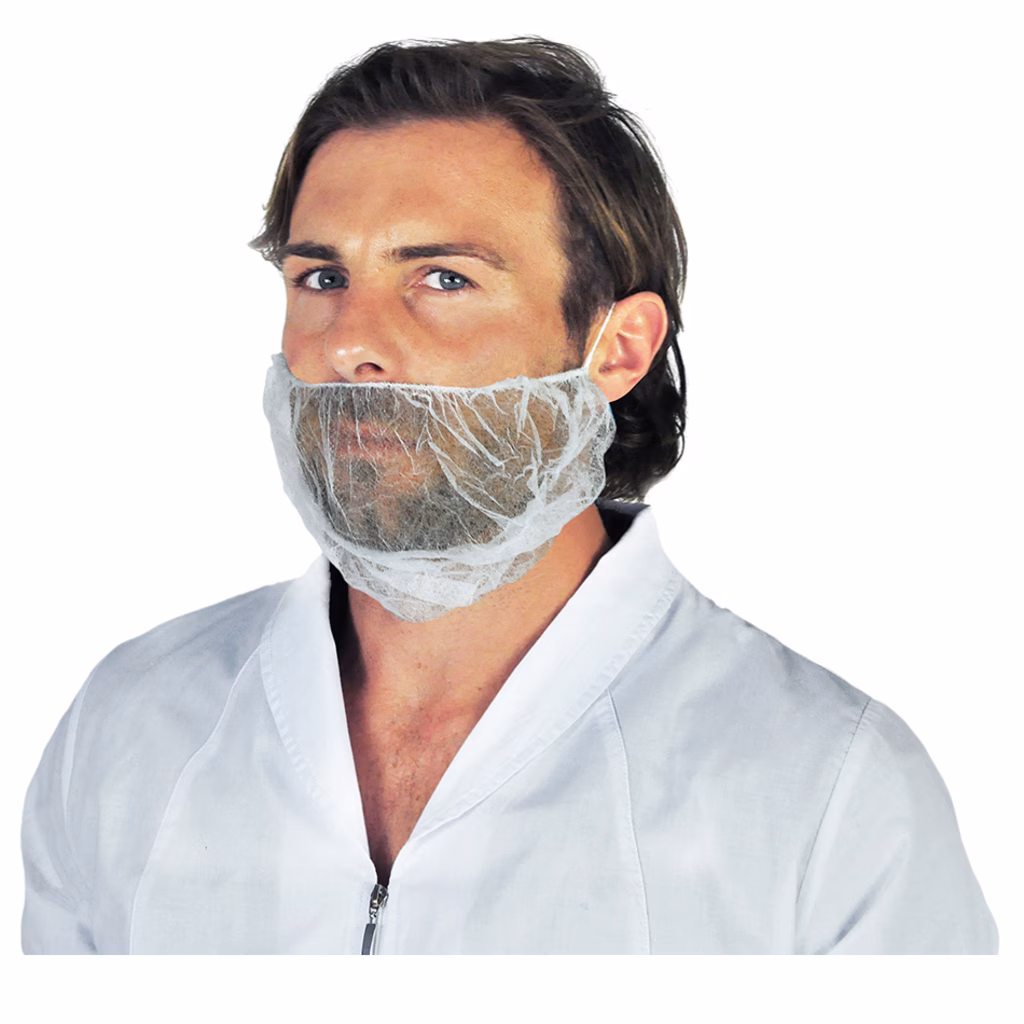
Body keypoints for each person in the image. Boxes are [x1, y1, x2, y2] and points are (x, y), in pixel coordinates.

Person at [21, 37, 997, 955]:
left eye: (443, 278)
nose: (349, 342)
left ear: (617, 349)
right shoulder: (131, 729)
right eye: (321, 275)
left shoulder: (828, 796)